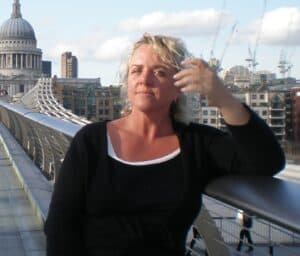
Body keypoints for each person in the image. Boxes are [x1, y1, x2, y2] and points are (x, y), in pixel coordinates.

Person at [44, 33, 285, 256]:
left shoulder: (197, 144)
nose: (144, 80)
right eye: (136, 70)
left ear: (179, 88)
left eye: (159, 72)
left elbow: (267, 162)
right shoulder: (91, 141)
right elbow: (60, 226)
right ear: (127, 82)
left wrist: (223, 99)